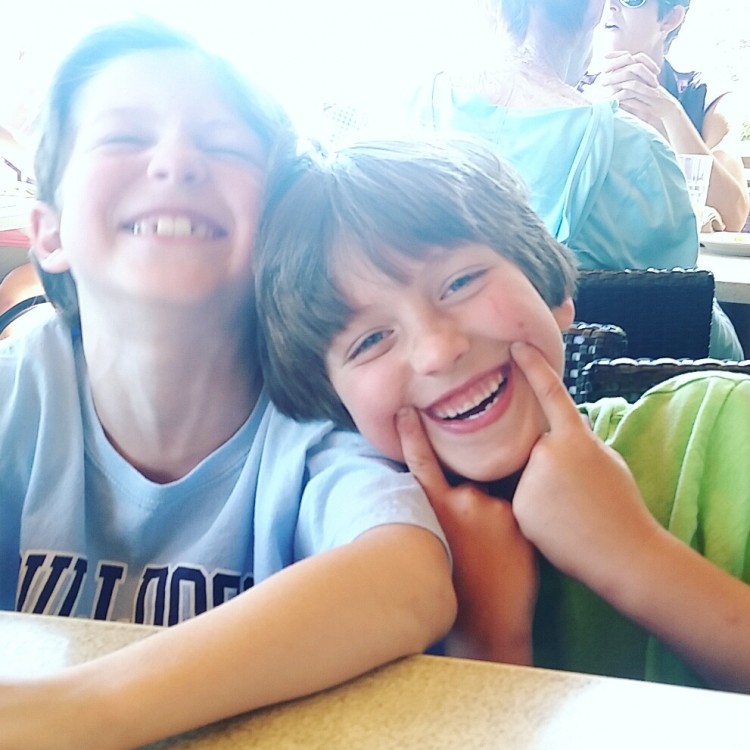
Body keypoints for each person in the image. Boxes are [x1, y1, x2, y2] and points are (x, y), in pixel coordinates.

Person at [0, 20, 456, 749]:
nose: (178, 160)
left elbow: (410, 578)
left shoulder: (311, 428)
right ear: (46, 234)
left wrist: (77, 714)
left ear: (276, 224)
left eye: (225, 145)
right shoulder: (19, 396)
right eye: (124, 137)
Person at [255, 134, 750, 693]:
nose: (437, 350)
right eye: (370, 340)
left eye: (461, 282)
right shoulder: (355, 539)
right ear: (332, 401)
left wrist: (630, 554)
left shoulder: (716, 428)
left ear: (553, 291)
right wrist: (487, 639)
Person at [413, 0, 742, 360]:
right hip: (599, 400)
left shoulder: (409, 113)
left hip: (436, 380)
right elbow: (681, 311)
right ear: (592, 11)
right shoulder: (634, 149)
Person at [582, 0, 749, 232]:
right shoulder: (573, 91)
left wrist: (669, 117)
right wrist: (590, 110)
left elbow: (732, 217)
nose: (610, 5)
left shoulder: (704, 98)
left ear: (670, 18)